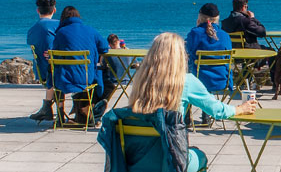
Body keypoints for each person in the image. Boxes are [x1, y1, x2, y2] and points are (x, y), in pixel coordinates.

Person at [98, 32, 257, 172]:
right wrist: (240, 109)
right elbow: (216, 110)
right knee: (199, 157)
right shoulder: (186, 81)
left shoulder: (141, 79)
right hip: (171, 161)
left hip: (134, 162)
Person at [51, 6, 109, 125]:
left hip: (64, 79)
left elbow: (55, 52)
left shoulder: (60, 33)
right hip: (87, 78)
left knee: (55, 75)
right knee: (102, 75)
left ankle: (60, 115)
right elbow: (104, 48)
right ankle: (89, 113)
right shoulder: (90, 30)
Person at [185, 3, 232, 126]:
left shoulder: (195, 33)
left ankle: (186, 115)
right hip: (220, 80)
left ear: (200, 18)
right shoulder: (225, 35)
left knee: (189, 73)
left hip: (198, 81)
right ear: (217, 18)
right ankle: (206, 114)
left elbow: (187, 52)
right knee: (204, 73)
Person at [26, 0, 59, 121]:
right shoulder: (59, 26)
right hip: (57, 69)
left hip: (42, 70)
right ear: (54, 10)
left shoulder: (32, 30)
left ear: (37, 10)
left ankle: (47, 107)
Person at [100, 33, 125, 104]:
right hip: (127, 81)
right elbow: (135, 64)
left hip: (113, 82)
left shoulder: (108, 54)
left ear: (109, 44)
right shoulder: (128, 51)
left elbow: (102, 64)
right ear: (118, 41)